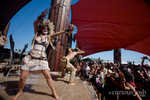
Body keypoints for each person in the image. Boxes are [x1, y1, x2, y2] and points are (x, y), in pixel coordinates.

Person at [12, 10, 71, 100]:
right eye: (44, 28)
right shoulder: (36, 34)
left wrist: (66, 30)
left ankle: (54, 93)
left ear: (49, 29)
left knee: (48, 77)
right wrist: (40, 17)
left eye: (47, 29)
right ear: (41, 28)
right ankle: (20, 91)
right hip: (31, 59)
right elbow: (35, 23)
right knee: (22, 78)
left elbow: (58, 33)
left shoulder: (49, 37)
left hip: (42, 60)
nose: (45, 30)